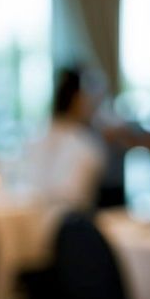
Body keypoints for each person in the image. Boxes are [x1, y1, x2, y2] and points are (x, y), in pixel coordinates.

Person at [25, 68, 106, 212]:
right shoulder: (84, 145)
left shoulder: (37, 136)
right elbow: (74, 197)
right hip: (70, 224)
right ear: (78, 100)